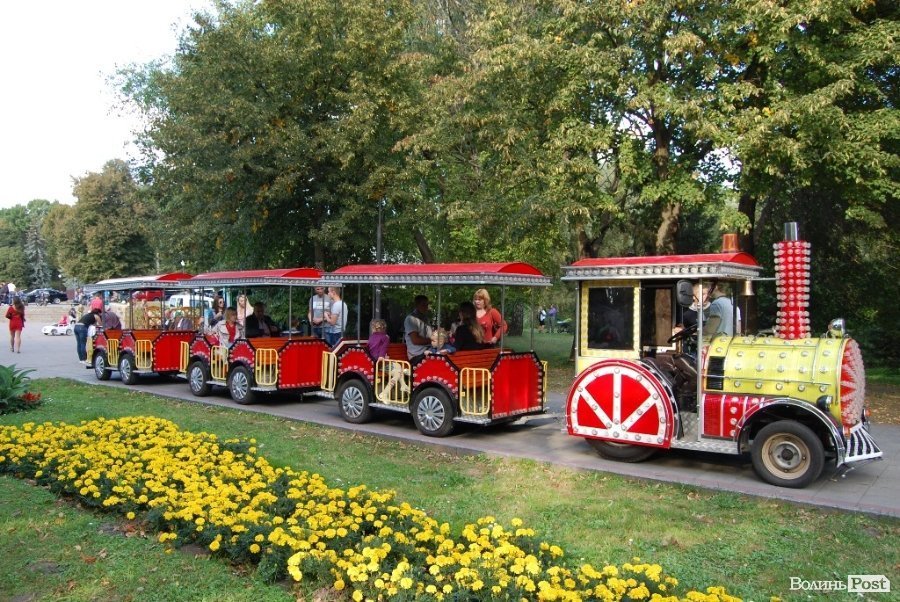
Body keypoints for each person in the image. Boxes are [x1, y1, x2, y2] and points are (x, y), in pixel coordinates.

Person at [403, 295, 432, 360]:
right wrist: (432, 340)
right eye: (423, 305)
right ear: (416, 305)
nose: (426, 307)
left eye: (427, 305)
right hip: (417, 355)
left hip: (428, 351)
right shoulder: (411, 319)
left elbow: (431, 335)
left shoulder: (426, 319)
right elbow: (415, 340)